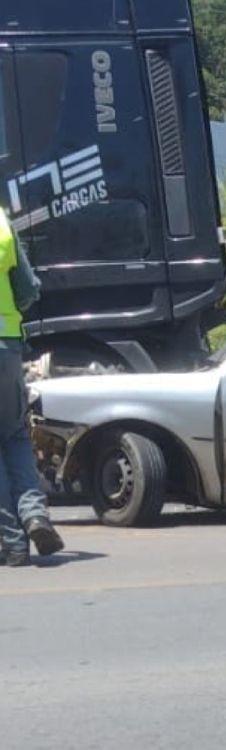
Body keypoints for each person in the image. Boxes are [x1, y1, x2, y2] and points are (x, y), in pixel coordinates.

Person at [0, 207, 65, 566]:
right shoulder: (0, 222)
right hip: (6, 345)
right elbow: (27, 289)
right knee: (14, 436)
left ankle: (12, 543)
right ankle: (34, 514)